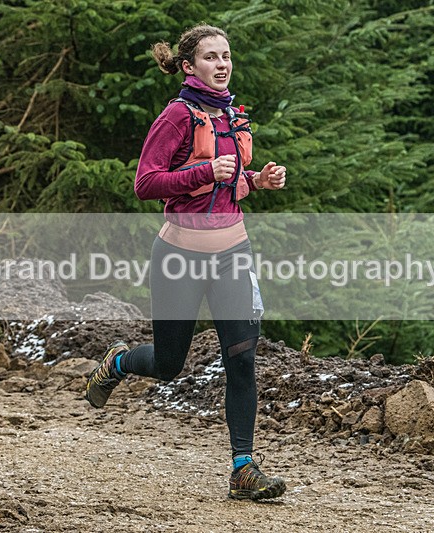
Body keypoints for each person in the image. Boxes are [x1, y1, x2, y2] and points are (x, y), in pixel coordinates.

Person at [84, 24, 288, 501]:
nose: (222, 64)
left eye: (227, 56)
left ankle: (243, 466)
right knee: (170, 364)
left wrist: (257, 181)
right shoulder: (177, 116)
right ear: (189, 66)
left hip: (232, 252)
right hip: (179, 256)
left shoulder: (233, 116)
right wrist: (202, 170)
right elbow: (145, 183)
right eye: (211, 57)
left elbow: (226, 185)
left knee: (242, 358)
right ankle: (117, 361)